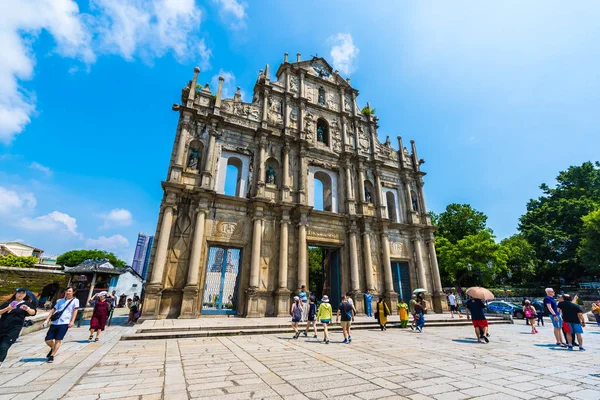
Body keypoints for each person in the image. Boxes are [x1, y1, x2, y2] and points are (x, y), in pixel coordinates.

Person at [0, 288, 37, 368]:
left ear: (25, 295)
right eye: (19, 293)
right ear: (15, 294)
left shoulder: (26, 304)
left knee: (4, 346)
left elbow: (33, 312)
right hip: (2, 327)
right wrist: (7, 308)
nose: (20, 295)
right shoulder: (8, 303)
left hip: (14, 329)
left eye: (22, 293)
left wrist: (27, 309)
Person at [43, 287, 79, 363]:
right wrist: (47, 319)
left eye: (70, 291)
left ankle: (52, 356)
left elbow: (75, 311)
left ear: (73, 292)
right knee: (48, 339)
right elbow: (53, 310)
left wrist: (72, 321)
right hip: (55, 322)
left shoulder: (75, 301)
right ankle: (53, 348)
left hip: (65, 322)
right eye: (67, 291)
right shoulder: (60, 301)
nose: (68, 292)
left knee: (58, 339)